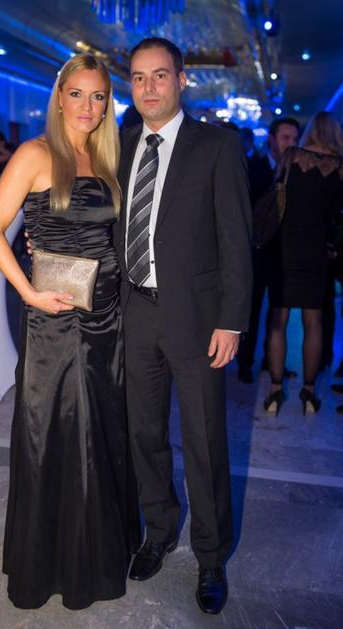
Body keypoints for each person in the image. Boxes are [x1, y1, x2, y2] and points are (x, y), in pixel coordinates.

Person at [0, 54, 140, 610]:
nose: (87, 107)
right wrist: (27, 292)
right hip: (57, 319)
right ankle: (54, 563)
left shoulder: (106, 157)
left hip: (108, 319)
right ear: (59, 97)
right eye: (77, 94)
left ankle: (95, 555)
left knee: (102, 434)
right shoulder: (35, 153)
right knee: (60, 433)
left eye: (98, 97)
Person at [114, 38, 252, 615]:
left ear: (182, 80)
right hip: (134, 312)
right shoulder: (119, 143)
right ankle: (159, 531)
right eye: (138, 77)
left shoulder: (216, 145)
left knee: (204, 441)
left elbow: (237, 238)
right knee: (143, 434)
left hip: (197, 319)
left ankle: (211, 556)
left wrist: (231, 321)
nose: (148, 87)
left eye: (160, 75)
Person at [264, 111, 343, 416]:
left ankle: (275, 390)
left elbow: (275, 196)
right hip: (315, 251)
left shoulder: (292, 157)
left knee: (278, 320)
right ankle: (309, 392)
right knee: (314, 322)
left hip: (285, 248)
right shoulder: (339, 167)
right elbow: (337, 215)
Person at [237, 117, 300, 383]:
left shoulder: (300, 172)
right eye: (286, 138)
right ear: (272, 139)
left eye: (295, 138)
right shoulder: (254, 167)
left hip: (284, 253)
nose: (291, 143)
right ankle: (245, 363)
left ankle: (272, 361)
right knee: (251, 310)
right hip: (256, 250)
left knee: (279, 313)